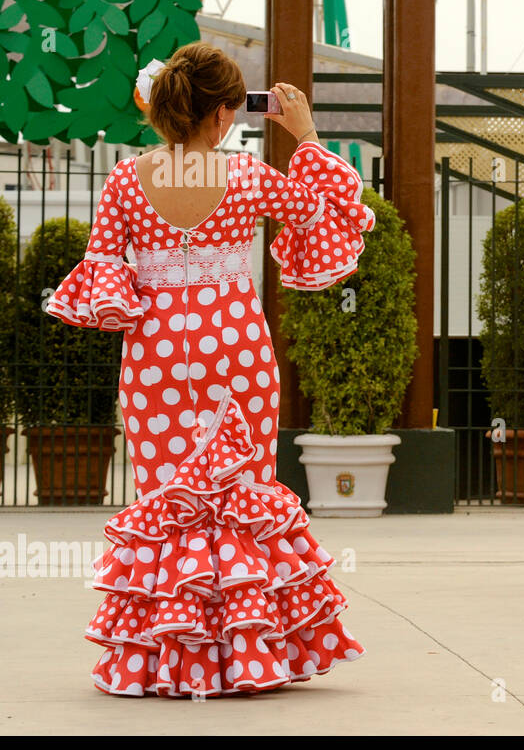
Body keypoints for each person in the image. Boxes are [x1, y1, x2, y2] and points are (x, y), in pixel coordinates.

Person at [45, 42, 372, 695]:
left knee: (168, 501)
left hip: (154, 358)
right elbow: (324, 210)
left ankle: (168, 658)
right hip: (238, 355)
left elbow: (105, 272)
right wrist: (304, 134)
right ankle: (247, 654)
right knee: (240, 497)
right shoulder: (248, 177)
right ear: (225, 116)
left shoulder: (124, 179)